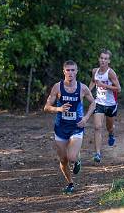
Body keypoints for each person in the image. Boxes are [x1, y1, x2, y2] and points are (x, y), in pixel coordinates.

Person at [44, 60, 95, 193]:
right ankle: (70, 183)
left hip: (77, 126)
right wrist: (59, 109)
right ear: (64, 71)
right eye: (68, 70)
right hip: (60, 128)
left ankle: (77, 159)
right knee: (63, 159)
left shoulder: (82, 88)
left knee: (71, 157)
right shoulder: (57, 87)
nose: (70, 73)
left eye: (73, 70)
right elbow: (46, 107)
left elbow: (93, 103)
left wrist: (86, 118)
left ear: (76, 71)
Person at [89, 49, 121, 163]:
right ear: (99, 59)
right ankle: (97, 153)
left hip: (111, 104)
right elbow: (93, 81)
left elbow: (119, 88)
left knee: (109, 127)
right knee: (97, 127)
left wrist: (104, 85)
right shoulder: (95, 71)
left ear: (109, 61)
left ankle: (111, 134)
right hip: (99, 103)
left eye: (105, 59)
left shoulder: (111, 73)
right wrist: (87, 92)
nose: (103, 60)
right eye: (101, 58)